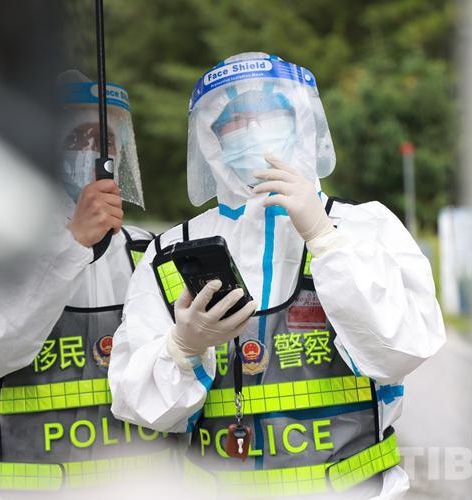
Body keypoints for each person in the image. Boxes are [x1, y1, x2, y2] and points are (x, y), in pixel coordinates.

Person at [109, 53, 446, 499]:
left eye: (270, 114)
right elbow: (137, 403)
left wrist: (325, 239)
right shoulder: (171, 251)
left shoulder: (365, 226)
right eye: (233, 121)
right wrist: (182, 348)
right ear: (211, 139)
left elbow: (401, 351)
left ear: (301, 122)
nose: (251, 129)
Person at [0, 71, 175, 497]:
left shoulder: (147, 252)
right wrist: (72, 243)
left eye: (105, 140)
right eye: (76, 138)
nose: (94, 151)